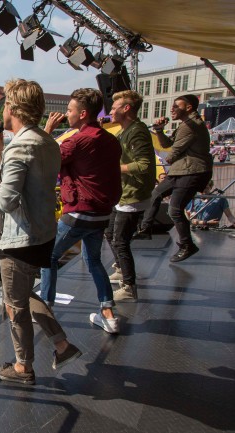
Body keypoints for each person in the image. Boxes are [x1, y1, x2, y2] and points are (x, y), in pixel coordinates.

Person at [0, 79, 81, 385]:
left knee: (15, 305)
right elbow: (28, 181)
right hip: (43, 234)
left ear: (12, 108)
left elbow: (7, 199)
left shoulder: (20, 147)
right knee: (26, 294)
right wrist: (3, 156)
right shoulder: (48, 142)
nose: (2, 110)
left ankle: (22, 367)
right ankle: (62, 345)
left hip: (20, 239)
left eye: (4, 105)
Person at [40, 88, 122, 334]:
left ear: (83, 113)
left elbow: (45, 157)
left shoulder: (76, 141)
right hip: (102, 213)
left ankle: (45, 309)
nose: (66, 114)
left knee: (48, 257)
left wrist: (47, 130)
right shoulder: (110, 139)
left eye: (69, 110)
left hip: (79, 213)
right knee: (94, 260)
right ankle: (108, 313)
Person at [135, 94, 213, 262]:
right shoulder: (185, 124)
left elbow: (172, 152)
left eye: (177, 106)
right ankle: (145, 230)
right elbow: (166, 144)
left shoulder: (191, 125)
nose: (172, 109)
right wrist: (158, 130)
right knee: (154, 195)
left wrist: (145, 161)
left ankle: (187, 245)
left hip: (192, 171)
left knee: (174, 209)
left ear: (189, 107)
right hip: (181, 170)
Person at [103, 90, 156, 301]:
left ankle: (129, 287)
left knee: (120, 242)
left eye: (114, 108)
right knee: (109, 234)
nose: (110, 111)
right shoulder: (124, 131)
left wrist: (115, 168)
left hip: (132, 196)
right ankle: (120, 269)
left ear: (126, 109)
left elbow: (144, 165)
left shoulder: (137, 131)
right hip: (123, 194)